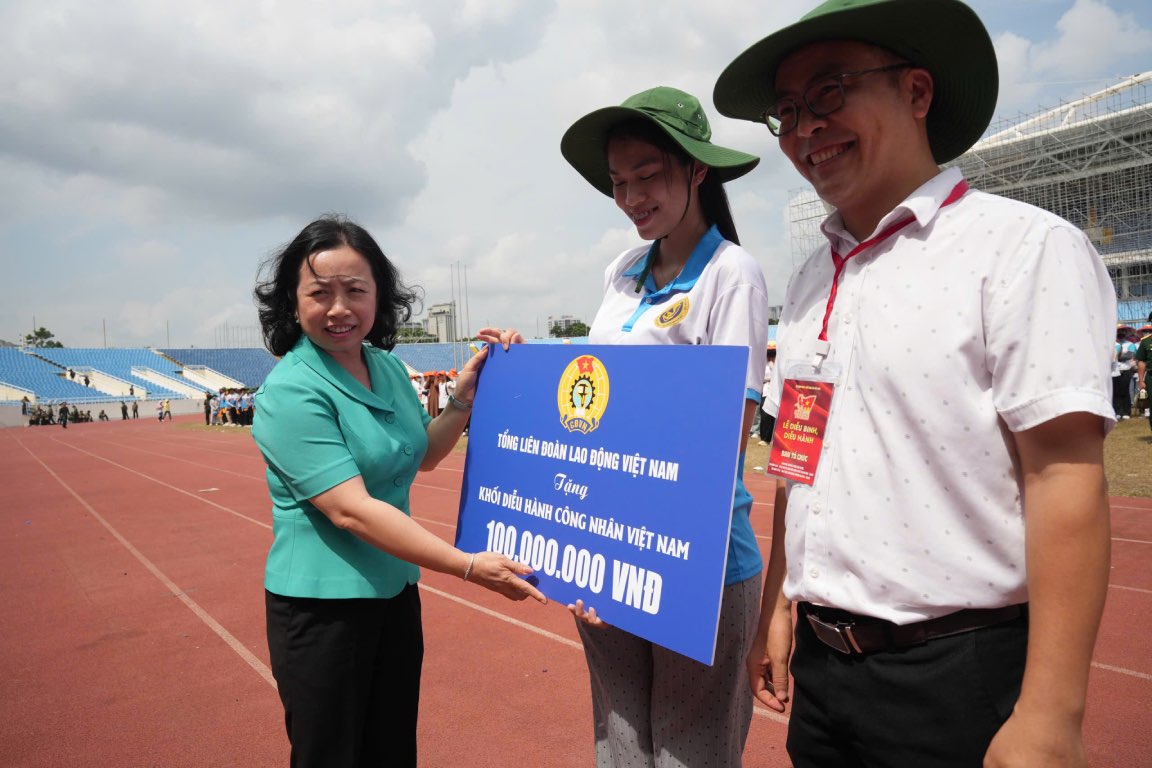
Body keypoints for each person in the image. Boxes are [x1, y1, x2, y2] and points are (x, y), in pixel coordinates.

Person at [712, 1, 1115, 766]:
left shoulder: (1022, 250)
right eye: (788, 112)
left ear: (918, 92)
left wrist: (1052, 715)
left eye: (829, 93)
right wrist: (778, 608)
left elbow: (1064, 474)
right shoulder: (805, 280)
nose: (805, 130)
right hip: (825, 673)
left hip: (958, 675)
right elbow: (796, 463)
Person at [251, 215, 546, 768]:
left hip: (393, 598)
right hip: (322, 615)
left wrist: (463, 398)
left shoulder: (384, 366)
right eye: (320, 293)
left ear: (378, 297)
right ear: (293, 303)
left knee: (391, 750)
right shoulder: (289, 391)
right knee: (333, 756)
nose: (339, 309)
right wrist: (466, 565)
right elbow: (352, 511)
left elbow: (424, 455)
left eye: (355, 291)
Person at [544, 85, 768, 767]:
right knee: (620, 740)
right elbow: (597, 399)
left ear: (699, 169)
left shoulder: (732, 274)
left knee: (689, 749)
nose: (633, 195)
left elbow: (731, 427)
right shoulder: (621, 275)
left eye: (649, 174)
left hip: (695, 554)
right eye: (618, 182)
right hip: (610, 542)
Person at [757, 342, 776, 445]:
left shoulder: (777, 363)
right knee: (764, 414)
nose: (771, 355)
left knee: (773, 414)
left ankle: (771, 438)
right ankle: (764, 438)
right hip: (765, 390)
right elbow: (762, 377)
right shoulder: (763, 364)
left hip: (774, 391)